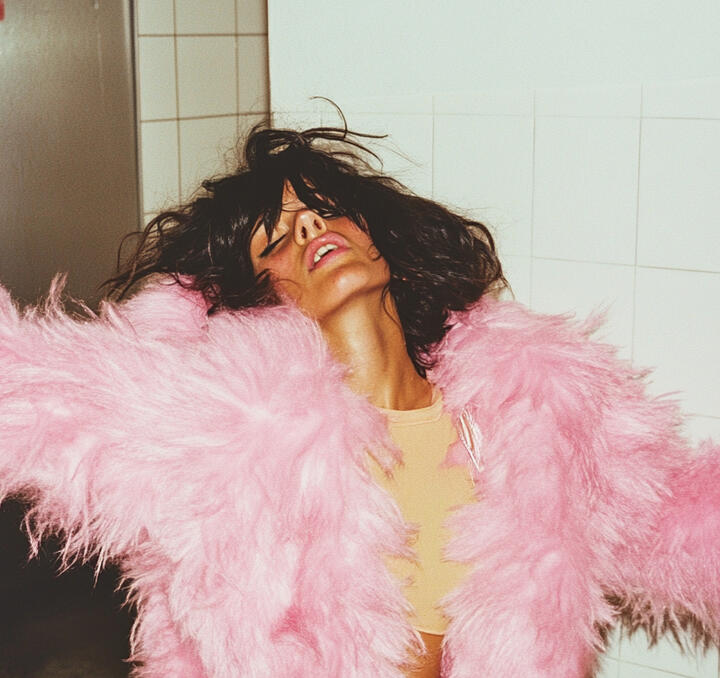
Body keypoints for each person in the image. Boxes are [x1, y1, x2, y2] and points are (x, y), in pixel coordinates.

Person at [0, 123, 719, 678]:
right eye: (274, 240)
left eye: (327, 211)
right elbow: (28, 393)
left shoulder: (534, 407)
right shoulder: (223, 432)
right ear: (252, 299)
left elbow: (681, 524)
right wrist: (173, 322)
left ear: (381, 240)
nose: (309, 227)